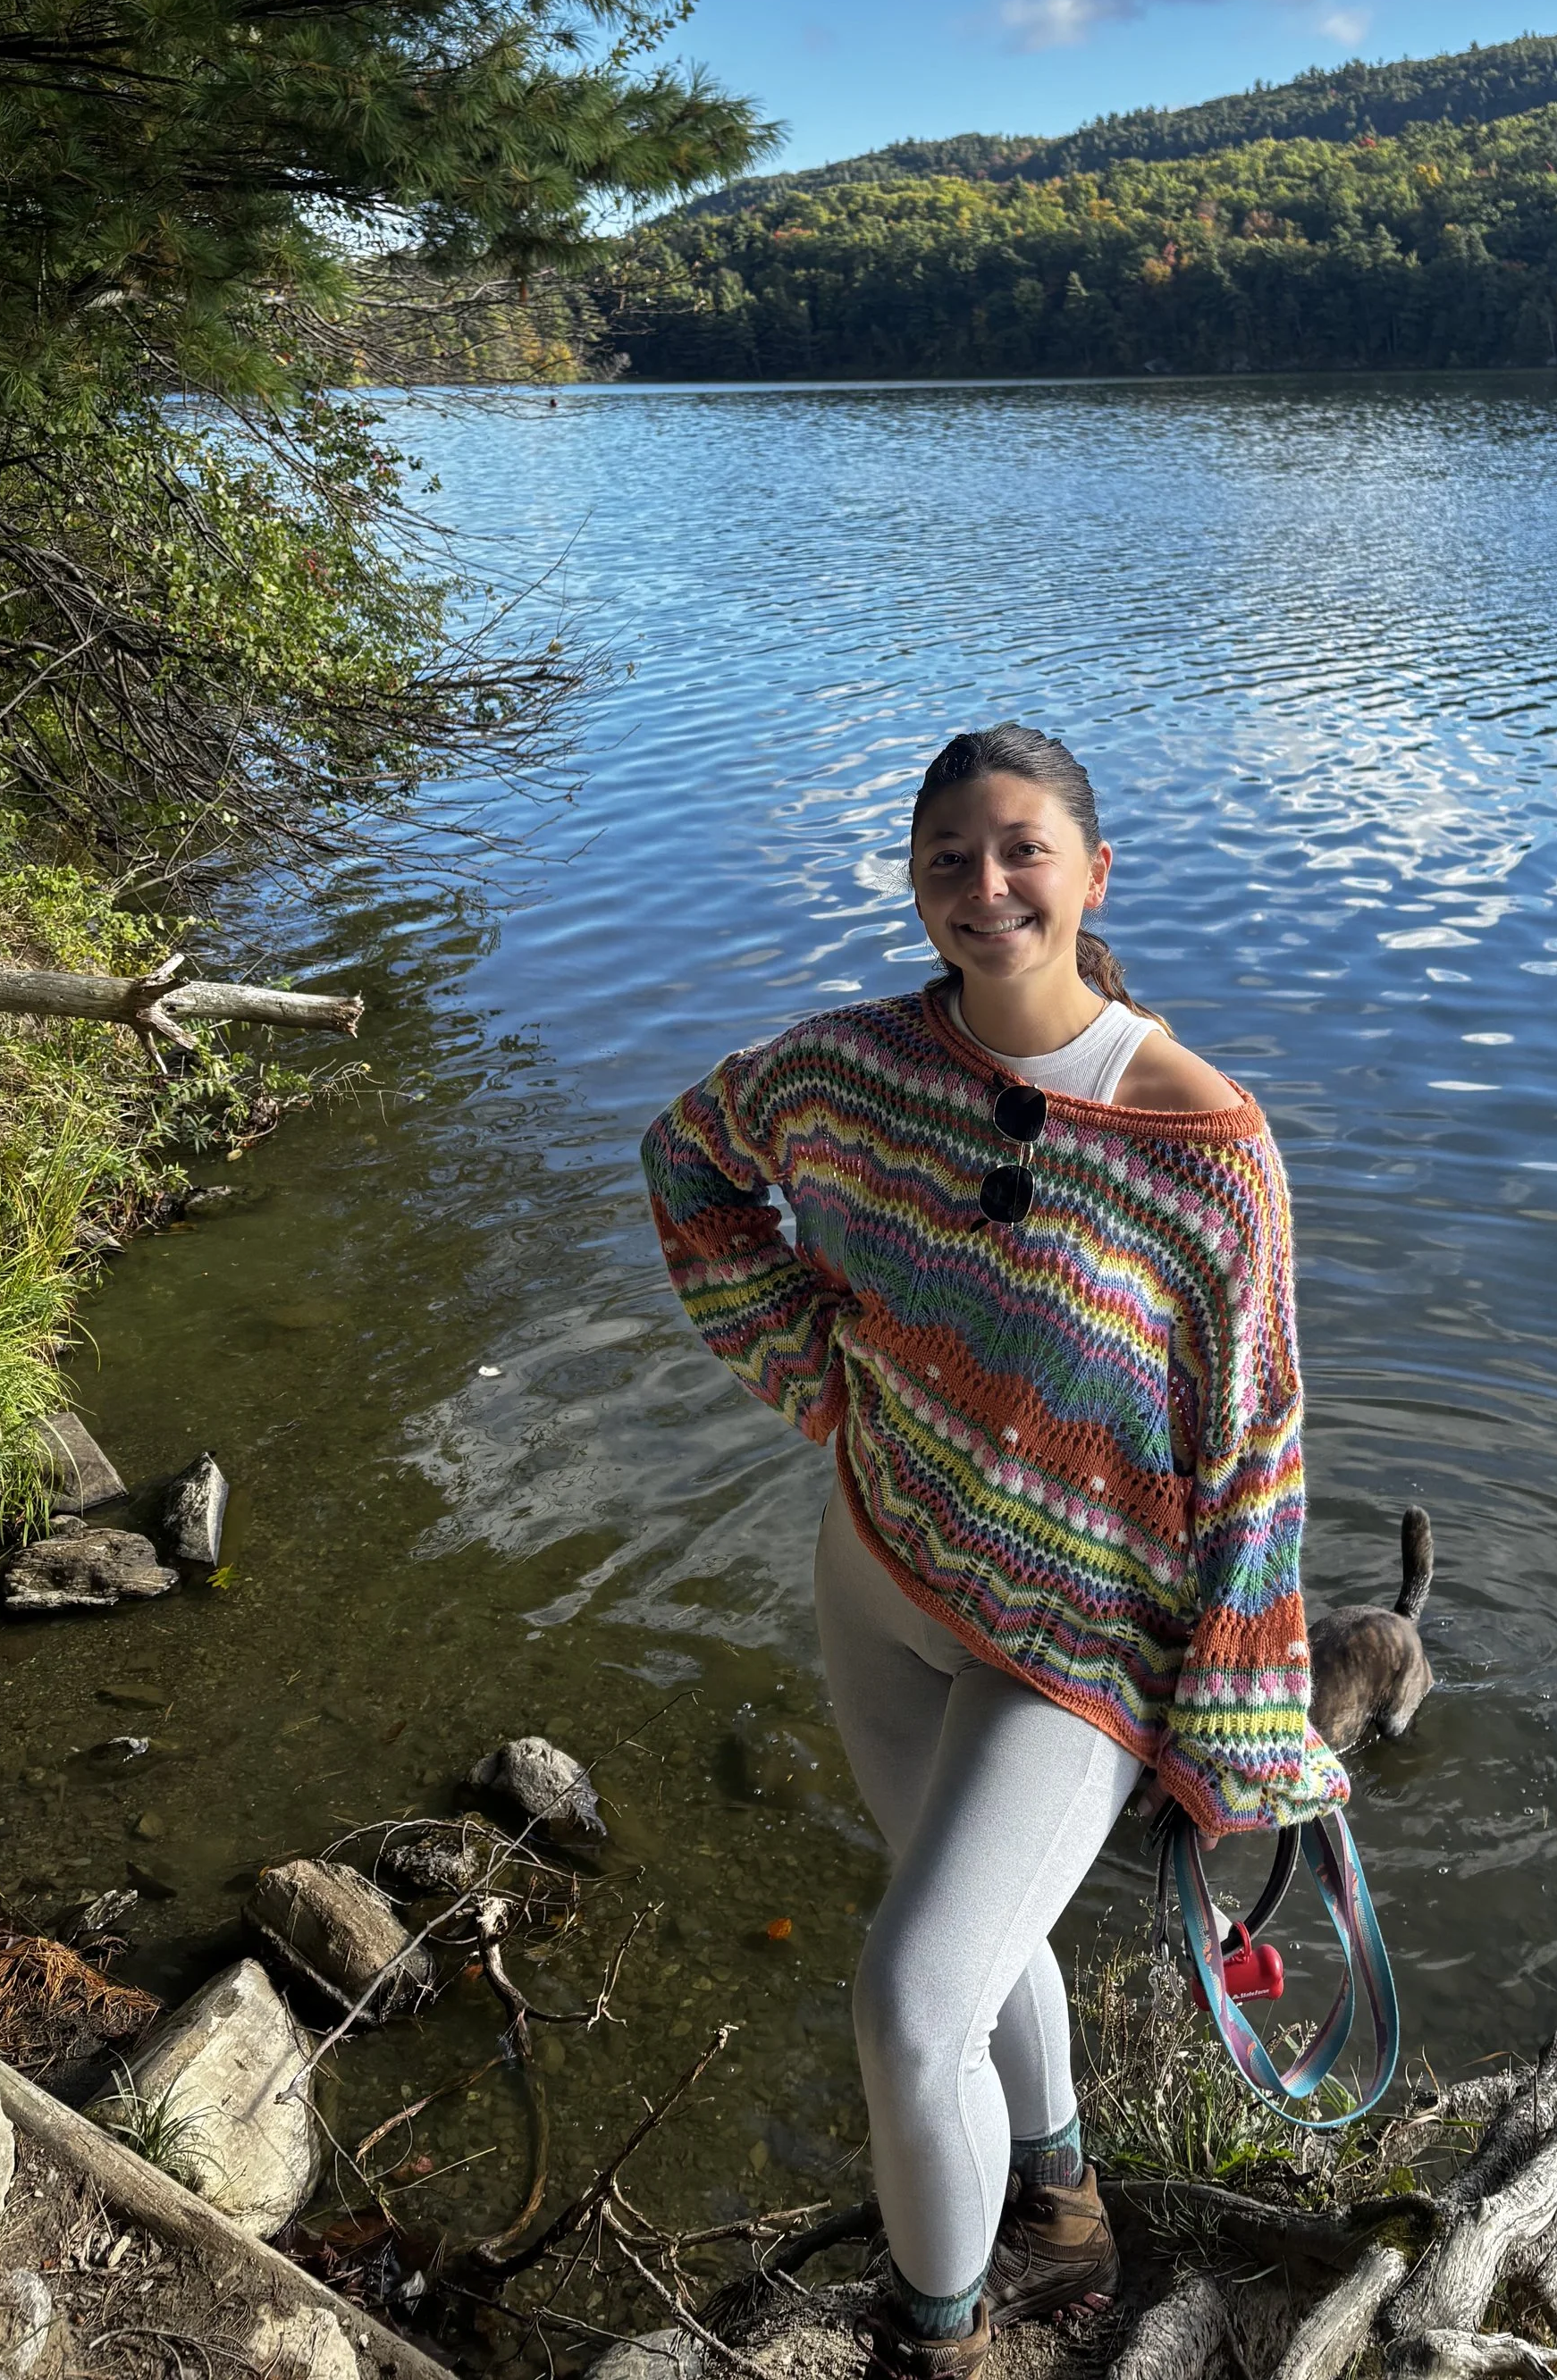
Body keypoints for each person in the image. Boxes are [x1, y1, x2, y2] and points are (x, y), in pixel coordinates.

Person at [641, 723, 1346, 2376]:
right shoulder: (851, 1068)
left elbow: (1256, 1460)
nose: (986, 884)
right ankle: (1063, 2201)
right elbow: (689, 1163)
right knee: (959, 1939)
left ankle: (936, 2341)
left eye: (1022, 848)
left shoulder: (1204, 1151)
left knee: (903, 2000)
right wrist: (811, 1368)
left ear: (1093, 873)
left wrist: (1237, 1717)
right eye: (949, 856)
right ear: (914, 883)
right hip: (878, 1565)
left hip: (1080, 1652)